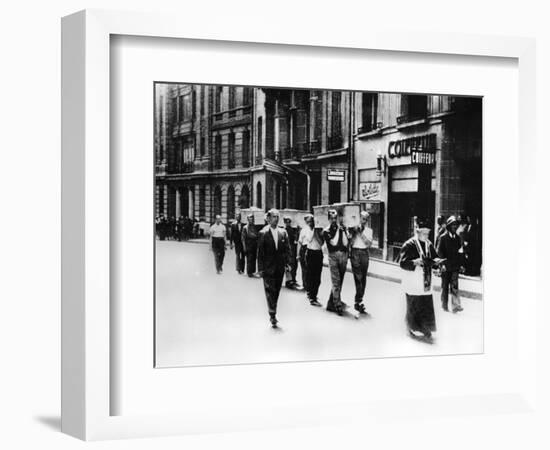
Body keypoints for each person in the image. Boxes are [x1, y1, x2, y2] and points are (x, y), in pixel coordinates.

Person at [399, 217, 443, 343]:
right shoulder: (409, 244)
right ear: (417, 232)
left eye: (428, 233)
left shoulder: (429, 244)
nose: (426, 235)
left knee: (425, 305)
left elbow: (434, 258)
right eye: (424, 233)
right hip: (413, 280)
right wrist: (414, 262)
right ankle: (410, 327)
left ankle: (425, 327)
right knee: (414, 305)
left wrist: (438, 263)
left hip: (426, 280)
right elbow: (402, 263)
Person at [257, 209, 292, 328]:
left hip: (279, 267)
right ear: (268, 218)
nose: (276, 219)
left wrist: (288, 263)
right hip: (268, 268)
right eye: (273, 217)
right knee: (269, 291)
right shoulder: (263, 233)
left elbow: (287, 249)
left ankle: (273, 309)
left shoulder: (283, 232)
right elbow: (260, 253)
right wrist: (260, 269)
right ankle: (272, 314)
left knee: (276, 291)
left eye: (277, 217)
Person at [323, 209, 350, 316]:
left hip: (343, 256)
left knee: (340, 280)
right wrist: (340, 230)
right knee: (336, 281)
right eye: (332, 218)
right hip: (333, 256)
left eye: (336, 218)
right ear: (329, 219)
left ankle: (331, 302)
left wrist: (345, 231)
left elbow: (346, 242)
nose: (334, 220)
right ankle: (337, 305)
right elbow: (333, 243)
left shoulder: (343, 229)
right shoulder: (326, 231)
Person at [437, 215, 464, 313]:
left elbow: (460, 252)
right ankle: (444, 306)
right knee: (445, 287)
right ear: (449, 226)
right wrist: (442, 264)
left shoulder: (457, 238)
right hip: (445, 266)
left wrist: (461, 264)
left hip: (455, 266)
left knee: (455, 286)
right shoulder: (443, 238)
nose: (455, 227)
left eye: (456, 225)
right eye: (453, 225)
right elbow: (439, 252)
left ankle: (455, 306)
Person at [349, 211, 373, 315]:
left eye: (366, 219)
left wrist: (360, 233)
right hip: (355, 253)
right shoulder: (353, 229)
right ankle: (358, 300)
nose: (364, 221)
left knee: (363, 278)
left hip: (364, 253)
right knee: (358, 277)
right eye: (362, 219)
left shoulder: (369, 231)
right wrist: (354, 233)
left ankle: (359, 299)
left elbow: (368, 244)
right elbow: (350, 242)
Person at [296, 214, 323, 307]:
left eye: (312, 221)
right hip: (310, 252)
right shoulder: (305, 230)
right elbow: (306, 240)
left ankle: (313, 293)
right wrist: (298, 254)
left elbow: (321, 243)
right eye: (309, 222)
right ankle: (312, 296)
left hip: (318, 253)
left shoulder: (319, 231)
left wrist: (318, 233)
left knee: (318, 277)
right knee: (310, 274)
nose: (310, 223)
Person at [283, 216, 299, 289]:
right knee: (288, 265)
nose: (288, 223)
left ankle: (293, 279)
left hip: (293, 249)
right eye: (286, 222)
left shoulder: (293, 230)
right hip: (287, 250)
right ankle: (289, 281)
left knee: (294, 265)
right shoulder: (283, 230)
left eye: (289, 222)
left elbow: (295, 238)